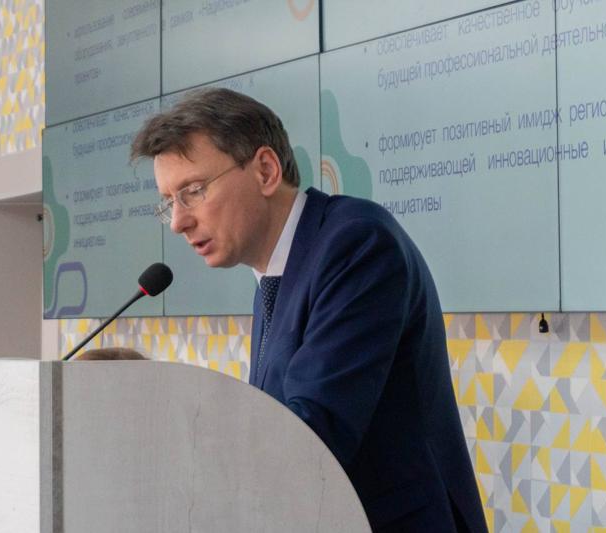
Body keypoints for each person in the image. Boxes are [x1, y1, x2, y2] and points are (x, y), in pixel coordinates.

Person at [131, 88, 487, 532]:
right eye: (169, 202)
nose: (178, 222)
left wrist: (177, 449)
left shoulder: (357, 244)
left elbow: (311, 434)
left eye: (193, 191)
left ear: (265, 170)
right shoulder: (275, 274)